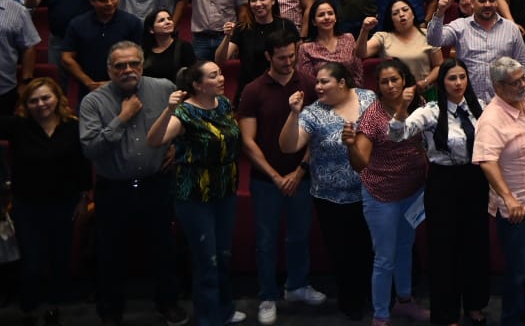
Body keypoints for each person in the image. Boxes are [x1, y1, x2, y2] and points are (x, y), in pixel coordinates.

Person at [78, 41, 187, 326]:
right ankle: (110, 311)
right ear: (109, 70)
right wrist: (122, 119)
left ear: (142, 65)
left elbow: (185, 121)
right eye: (120, 66)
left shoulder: (163, 87)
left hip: (156, 184)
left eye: (133, 64)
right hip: (114, 190)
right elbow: (90, 149)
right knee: (111, 254)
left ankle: (168, 304)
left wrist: (176, 146)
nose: (128, 70)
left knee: (163, 248)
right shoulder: (93, 102)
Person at [385, 58, 490, 326]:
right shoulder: (430, 110)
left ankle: (475, 305)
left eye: (462, 77)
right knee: (445, 250)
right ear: (442, 82)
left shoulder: (481, 109)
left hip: (475, 180)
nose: (458, 83)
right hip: (443, 183)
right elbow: (397, 134)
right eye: (451, 78)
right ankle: (447, 314)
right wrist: (401, 108)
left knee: (475, 246)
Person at [235, 29, 326, 325]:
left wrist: (299, 171)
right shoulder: (253, 90)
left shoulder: (310, 85)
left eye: (292, 56)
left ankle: (297, 286)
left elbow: (318, 134)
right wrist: (276, 176)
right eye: (282, 58)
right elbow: (248, 141)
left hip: (301, 176)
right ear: (268, 57)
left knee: (299, 235)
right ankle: (267, 295)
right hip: (266, 180)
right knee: (266, 240)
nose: (288, 62)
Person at [146, 61, 243, 326]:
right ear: (197, 85)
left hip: (225, 188)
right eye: (214, 76)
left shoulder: (222, 104)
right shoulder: (185, 113)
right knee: (207, 261)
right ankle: (208, 319)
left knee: (223, 256)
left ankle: (225, 308)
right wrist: (168, 110)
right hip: (196, 195)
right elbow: (154, 140)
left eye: (220, 73)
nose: (222, 78)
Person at [279, 62, 375, 322]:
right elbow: (289, 146)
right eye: (317, 82)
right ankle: (350, 300)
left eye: (324, 82)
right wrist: (293, 114)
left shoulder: (368, 98)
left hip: (370, 192)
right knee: (342, 253)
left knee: (368, 248)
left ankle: (373, 295)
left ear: (342, 82)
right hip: (330, 197)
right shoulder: (312, 112)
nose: (317, 87)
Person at [474, 56, 525, 326]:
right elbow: (487, 162)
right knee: (518, 269)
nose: (523, 84)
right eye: (515, 82)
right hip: (516, 209)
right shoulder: (491, 119)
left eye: (524, 78)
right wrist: (508, 198)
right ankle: (511, 318)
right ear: (498, 86)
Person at [0, 77, 91, 326]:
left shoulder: (73, 127)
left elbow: (82, 166)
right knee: (32, 262)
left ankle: (53, 307)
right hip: (27, 206)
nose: (41, 104)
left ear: (57, 98)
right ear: (26, 105)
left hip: (64, 204)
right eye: (34, 100)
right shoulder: (18, 126)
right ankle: (29, 309)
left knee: (59, 258)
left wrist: (84, 198)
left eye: (45, 98)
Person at [346, 59, 431, 326]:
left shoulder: (420, 103)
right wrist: (350, 145)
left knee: (406, 248)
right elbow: (360, 163)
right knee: (384, 257)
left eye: (395, 79)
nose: (391, 85)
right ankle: (380, 315)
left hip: (413, 192)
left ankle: (404, 302)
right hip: (381, 195)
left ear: (404, 79)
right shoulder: (373, 115)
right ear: (379, 87)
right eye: (385, 81)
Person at [428, 0, 525, 105]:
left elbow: (522, 64)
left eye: (492, 0)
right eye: (482, 1)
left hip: (503, 102)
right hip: (469, 102)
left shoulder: (511, 29)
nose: (487, 4)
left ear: (496, 2)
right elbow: (434, 40)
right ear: (472, 3)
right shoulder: (460, 26)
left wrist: (516, 91)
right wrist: (440, 12)